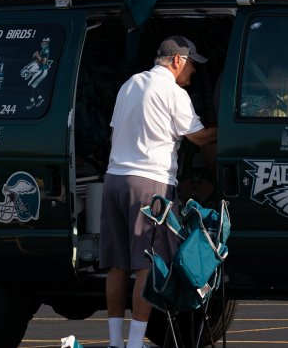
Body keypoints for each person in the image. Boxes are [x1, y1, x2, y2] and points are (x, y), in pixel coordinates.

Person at [102, 36, 218, 348]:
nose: (192, 71)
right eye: (191, 64)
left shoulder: (130, 84)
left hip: (114, 179)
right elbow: (199, 138)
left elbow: (114, 132)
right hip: (149, 183)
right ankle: (135, 344)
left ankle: (115, 342)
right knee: (147, 265)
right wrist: (232, 128)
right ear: (177, 61)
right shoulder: (172, 92)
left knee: (117, 266)